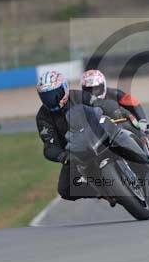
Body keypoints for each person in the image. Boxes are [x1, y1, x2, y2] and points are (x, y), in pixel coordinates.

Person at [35, 70, 114, 205]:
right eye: (46, 96)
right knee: (65, 189)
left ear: (64, 88)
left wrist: (114, 113)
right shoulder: (43, 116)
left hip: (97, 134)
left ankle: (147, 154)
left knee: (124, 129)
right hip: (75, 151)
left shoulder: (77, 96)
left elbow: (101, 105)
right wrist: (63, 157)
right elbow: (49, 146)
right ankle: (105, 192)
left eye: (54, 94)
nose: (51, 99)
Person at [71, 69, 149, 168]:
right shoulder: (82, 102)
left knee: (148, 135)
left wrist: (143, 123)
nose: (93, 93)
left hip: (122, 124)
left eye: (96, 88)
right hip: (101, 132)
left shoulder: (115, 94)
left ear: (103, 86)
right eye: (88, 90)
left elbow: (134, 104)